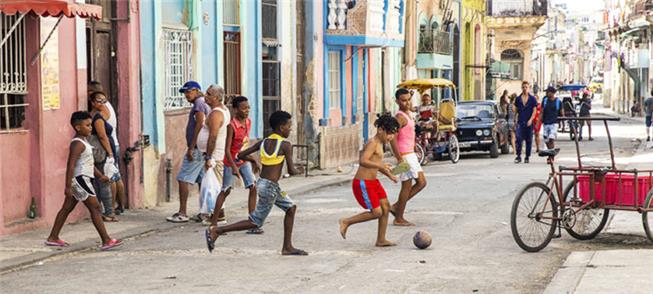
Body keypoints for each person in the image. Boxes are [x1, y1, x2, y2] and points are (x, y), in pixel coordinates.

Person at [205, 111, 307, 256]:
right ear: (281, 127)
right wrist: (299, 170)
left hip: (265, 184)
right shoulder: (285, 145)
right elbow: (291, 169)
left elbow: (240, 155)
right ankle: (217, 230)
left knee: (291, 208)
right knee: (255, 222)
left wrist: (253, 160)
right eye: (288, 126)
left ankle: (287, 247)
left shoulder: (264, 142)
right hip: (270, 187)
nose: (290, 129)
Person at [45, 111, 122, 250]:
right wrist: (68, 186)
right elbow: (71, 165)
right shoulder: (77, 144)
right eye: (87, 125)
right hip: (80, 180)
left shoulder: (85, 142)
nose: (91, 128)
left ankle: (53, 237)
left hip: (83, 179)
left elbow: (89, 164)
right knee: (95, 207)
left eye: (91, 125)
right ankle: (106, 240)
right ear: (78, 127)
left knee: (67, 208)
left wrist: (100, 176)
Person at [339, 113, 400, 247]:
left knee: (385, 207)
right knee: (376, 212)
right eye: (389, 133)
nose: (391, 137)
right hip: (363, 183)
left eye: (393, 134)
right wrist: (380, 165)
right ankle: (346, 221)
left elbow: (377, 164)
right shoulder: (373, 143)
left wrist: (390, 175)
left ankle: (381, 239)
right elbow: (363, 161)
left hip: (373, 182)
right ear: (380, 130)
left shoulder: (380, 144)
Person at [207, 96, 262, 233]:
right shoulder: (231, 126)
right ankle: (213, 224)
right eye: (243, 108)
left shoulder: (248, 122)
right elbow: (227, 150)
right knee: (226, 190)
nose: (246, 110)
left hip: (243, 160)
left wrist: (252, 160)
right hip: (230, 161)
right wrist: (234, 167)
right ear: (236, 109)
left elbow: (244, 145)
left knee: (253, 186)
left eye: (248, 107)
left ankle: (252, 222)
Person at [166, 81, 211, 223]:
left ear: (197, 90)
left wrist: (191, 147)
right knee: (203, 180)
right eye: (185, 92)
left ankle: (182, 212)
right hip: (202, 148)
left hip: (197, 148)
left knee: (183, 179)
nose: (186, 95)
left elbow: (199, 123)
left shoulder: (199, 103)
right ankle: (205, 212)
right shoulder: (203, 102)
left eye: (189, 91)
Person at [88, 81, 126, 215]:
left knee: (110, 178)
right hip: (112, 144)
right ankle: (119, 206)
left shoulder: (101, 112)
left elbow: (102, 134)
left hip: (108, 146)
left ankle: (111, 209)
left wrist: (109, 152)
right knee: (116, 176)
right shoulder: (106, 106)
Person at [389, 88, 426, 226]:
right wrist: (399, 158)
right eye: (403, 101)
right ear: (397, 101)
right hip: (404, 155)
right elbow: (392, 137)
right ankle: (399, 218)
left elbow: (409, 133)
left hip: (410, 153)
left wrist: (414, 145)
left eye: (408, 100)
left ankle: (396, 207)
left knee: (422, 182)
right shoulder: (399, 117)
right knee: (406, 186)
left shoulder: (408, 114)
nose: (407, 103)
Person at [195, 85, 229, 224]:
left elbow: (213, 137)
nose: (205, 96)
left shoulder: (216, 113)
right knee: (214, 185)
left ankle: (218, 216)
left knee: (213, 187)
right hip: (215, 155)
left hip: (214, 156)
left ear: (215, 97)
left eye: (208, 94)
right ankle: (216, 214)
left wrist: (209, 156)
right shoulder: (221, 110)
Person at [89, 92, 119, 222]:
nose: (102, 103)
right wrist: (110, 153)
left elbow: (107, 114)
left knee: (101, 182)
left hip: (99, 152)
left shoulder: (98, 115)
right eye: (98, 101)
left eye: (104, 100)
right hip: (102, 153)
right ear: (92, 102)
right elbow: (102, 136)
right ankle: (108, 212)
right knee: (105, 181)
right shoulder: (97, 119)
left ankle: (103, 211)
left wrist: (103, 105)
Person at [513, 81, 538, 164]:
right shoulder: (518, 99)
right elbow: (516, 111)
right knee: (519, 139)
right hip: (520, 121)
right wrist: (515, 119)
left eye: (526, 87)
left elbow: (534, 111)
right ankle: (518, 155)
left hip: (529, 122)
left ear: (529, 88)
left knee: (528, 140)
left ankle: (527, 156)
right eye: (523, 87)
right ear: (521, 88)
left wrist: (531, 120)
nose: (524, 89)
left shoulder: (532, 99)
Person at [539, 87, 564, 152]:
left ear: (553, 93)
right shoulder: (544, 101)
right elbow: (541, 112)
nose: (547, 93)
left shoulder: (558, 101)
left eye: (548, 92)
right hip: (546, 123)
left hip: (554, 123)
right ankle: (551, 152)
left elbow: (562, 113)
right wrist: (538, 123)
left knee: (551, 138)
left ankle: (551, 156)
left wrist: (563, 123)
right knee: (546, 139)